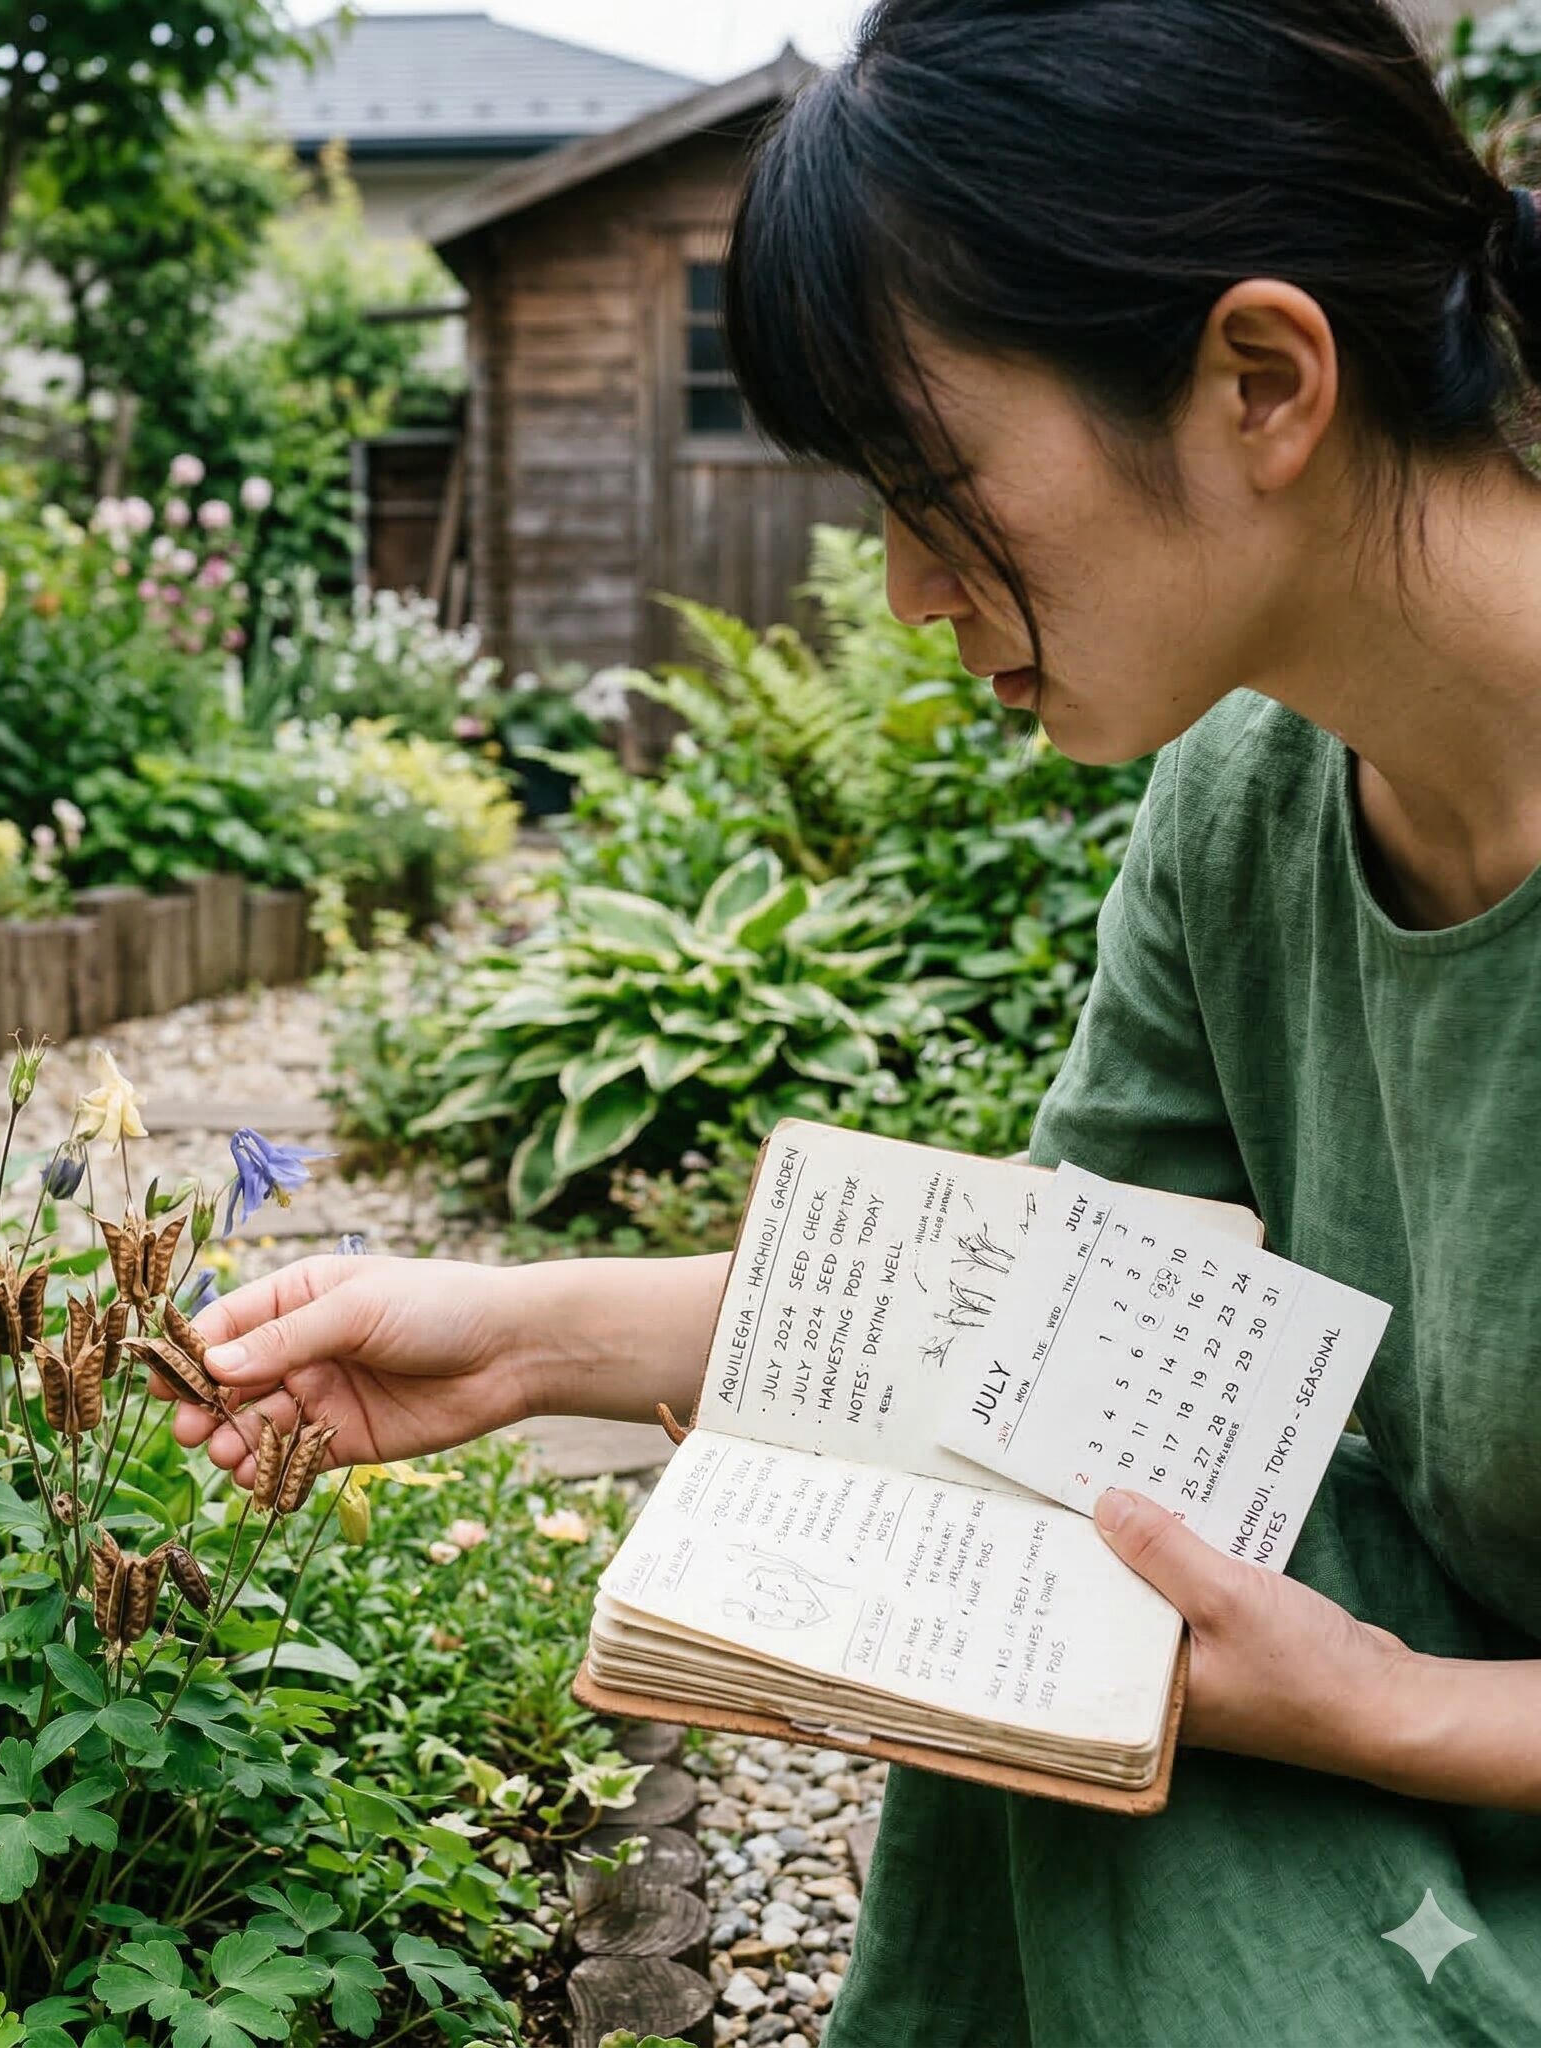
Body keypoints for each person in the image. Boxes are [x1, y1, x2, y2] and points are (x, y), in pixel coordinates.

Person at [165, 1, 1541, 2038]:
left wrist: (1397, 1708)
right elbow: (1025, 1325)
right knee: (1070, 1551)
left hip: (1455, 1722)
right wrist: (507, 1332)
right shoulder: (1239, 808)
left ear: (1259, 376)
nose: (905, 590)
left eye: (927, 484)